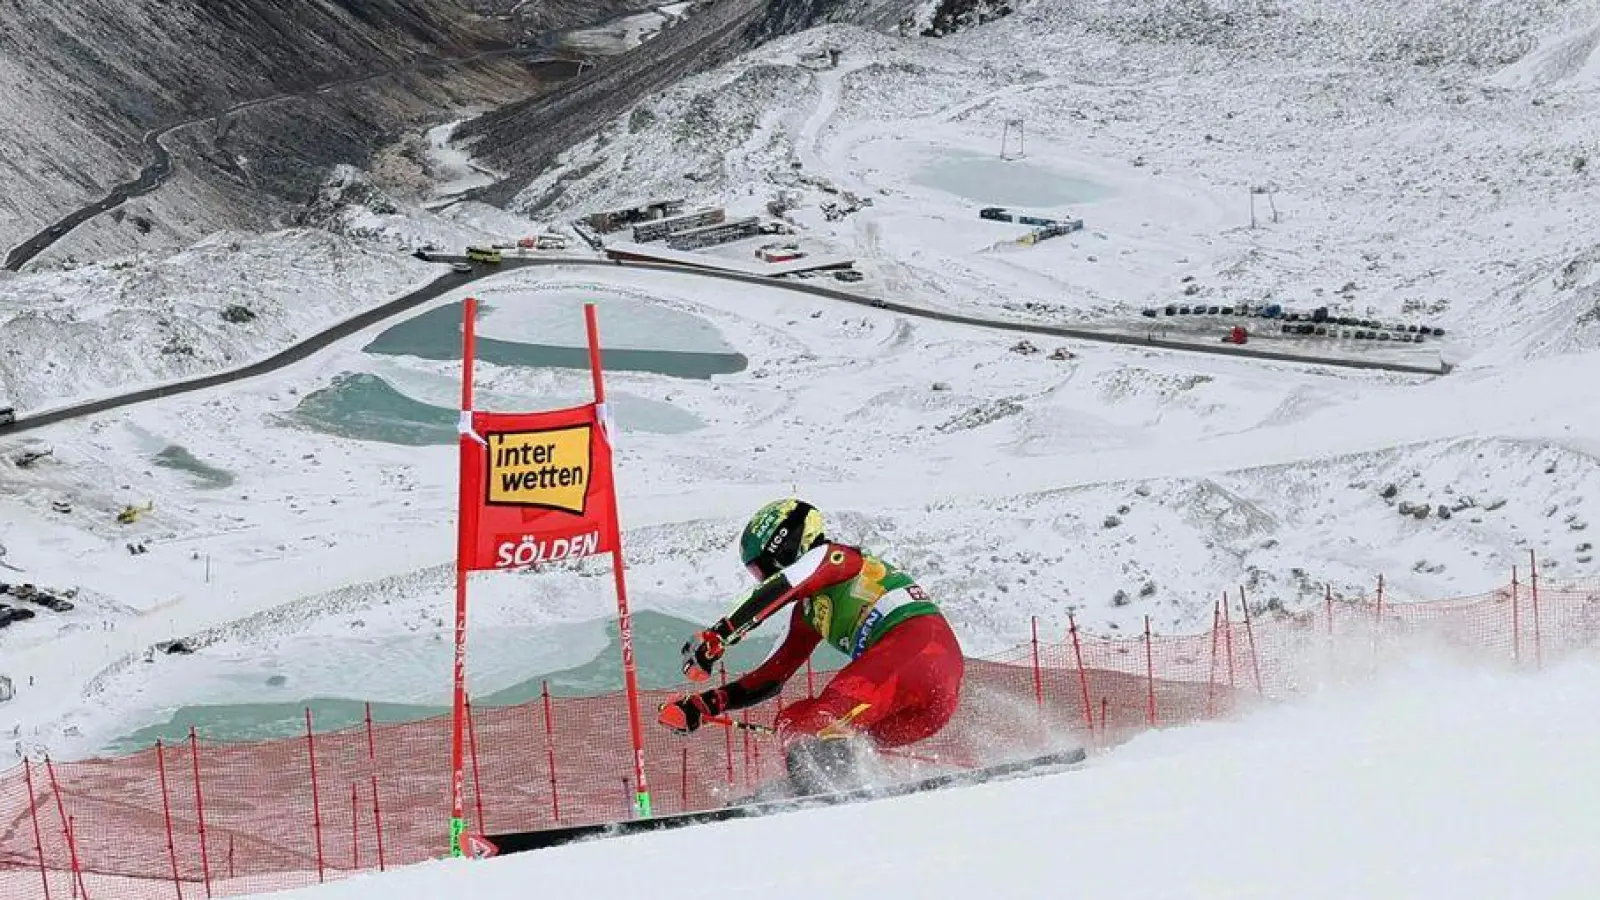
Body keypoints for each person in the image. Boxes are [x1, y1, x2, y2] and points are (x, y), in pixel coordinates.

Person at [657, 499, 965, 791]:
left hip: (919, 650)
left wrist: (718, 636)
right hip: (920, 706)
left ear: (784, 547)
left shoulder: (835, 557)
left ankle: (827, 792)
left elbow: (784, 585)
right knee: (795, 720)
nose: (761, 578)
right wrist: (707, 704)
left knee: (822, 721)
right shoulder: (807, 612)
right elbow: (774, 675)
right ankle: (836, 789)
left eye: (761, 568)